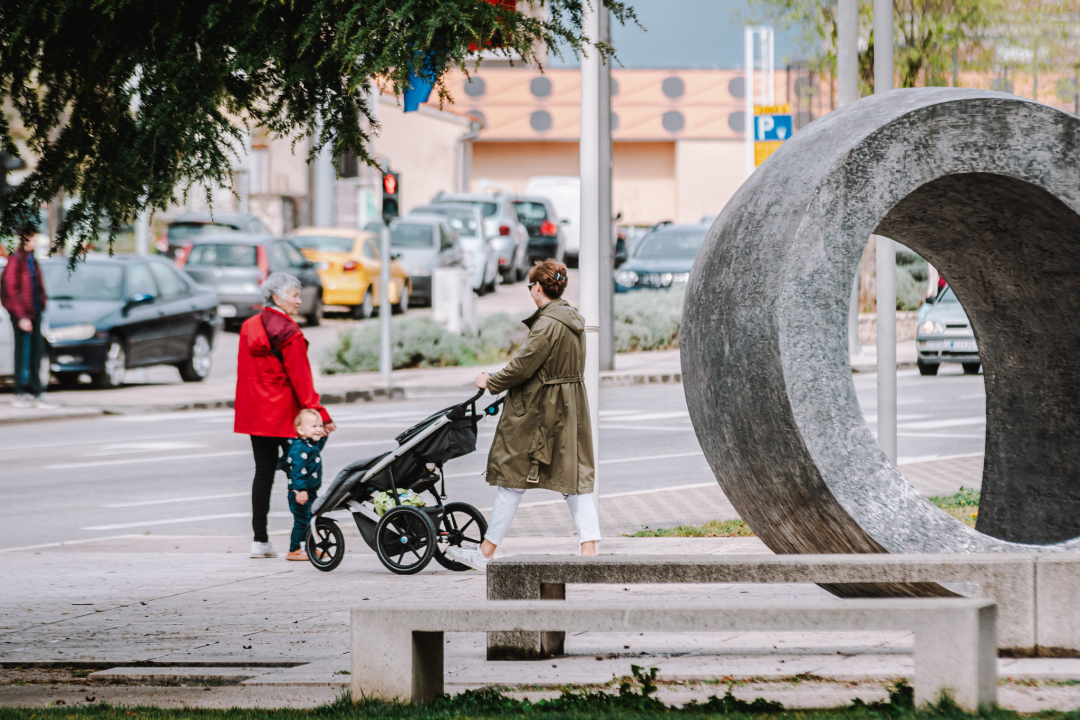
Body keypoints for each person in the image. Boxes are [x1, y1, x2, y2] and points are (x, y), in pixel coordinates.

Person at [446, 259, 599, 571]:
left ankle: (485, 554)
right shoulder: (572, 320)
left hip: (543, 410)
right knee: (573, 478)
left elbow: (523, 365)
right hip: (570, 407)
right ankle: (589, 552)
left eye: (531, 285)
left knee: (512, 481)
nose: (530, 290)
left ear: (538, 288)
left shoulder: (547, 324)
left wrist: (490, 381)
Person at [234, 273, 335, 559]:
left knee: (263, 473)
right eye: (294, 295)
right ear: (277, 298)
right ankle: (301, 545)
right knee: (302, 475)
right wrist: (320, 414)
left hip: (256, 412)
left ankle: (260, 541)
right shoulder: (288, 332)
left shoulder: (249, 327)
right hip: (287, 413)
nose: (300, 301)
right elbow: (301, 378)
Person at [0, 231, 57, 409]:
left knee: (37, 351)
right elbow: (10, 289)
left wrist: (42, 302)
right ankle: (20, 390)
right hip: (22, 313)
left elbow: (37, 286)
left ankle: (36, 390)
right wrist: (21, 316)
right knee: (22, 351)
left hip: (35, 311)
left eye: (33, 238)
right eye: (28, 238)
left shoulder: (32, 260)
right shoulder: (16, 260)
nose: (31, 242)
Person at [282, 408, 328, 561]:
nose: (318, 429)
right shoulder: (298, 448)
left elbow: (320, 439)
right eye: (314, 426)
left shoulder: (310, 445)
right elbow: (297, 471)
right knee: (302, 521)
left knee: (311, 519)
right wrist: (300, 490)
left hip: (310, 491)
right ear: (301, 430)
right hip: (300, 492)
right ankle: (294, 550)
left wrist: (324, 432)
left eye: (320, 426)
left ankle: (313, 548)